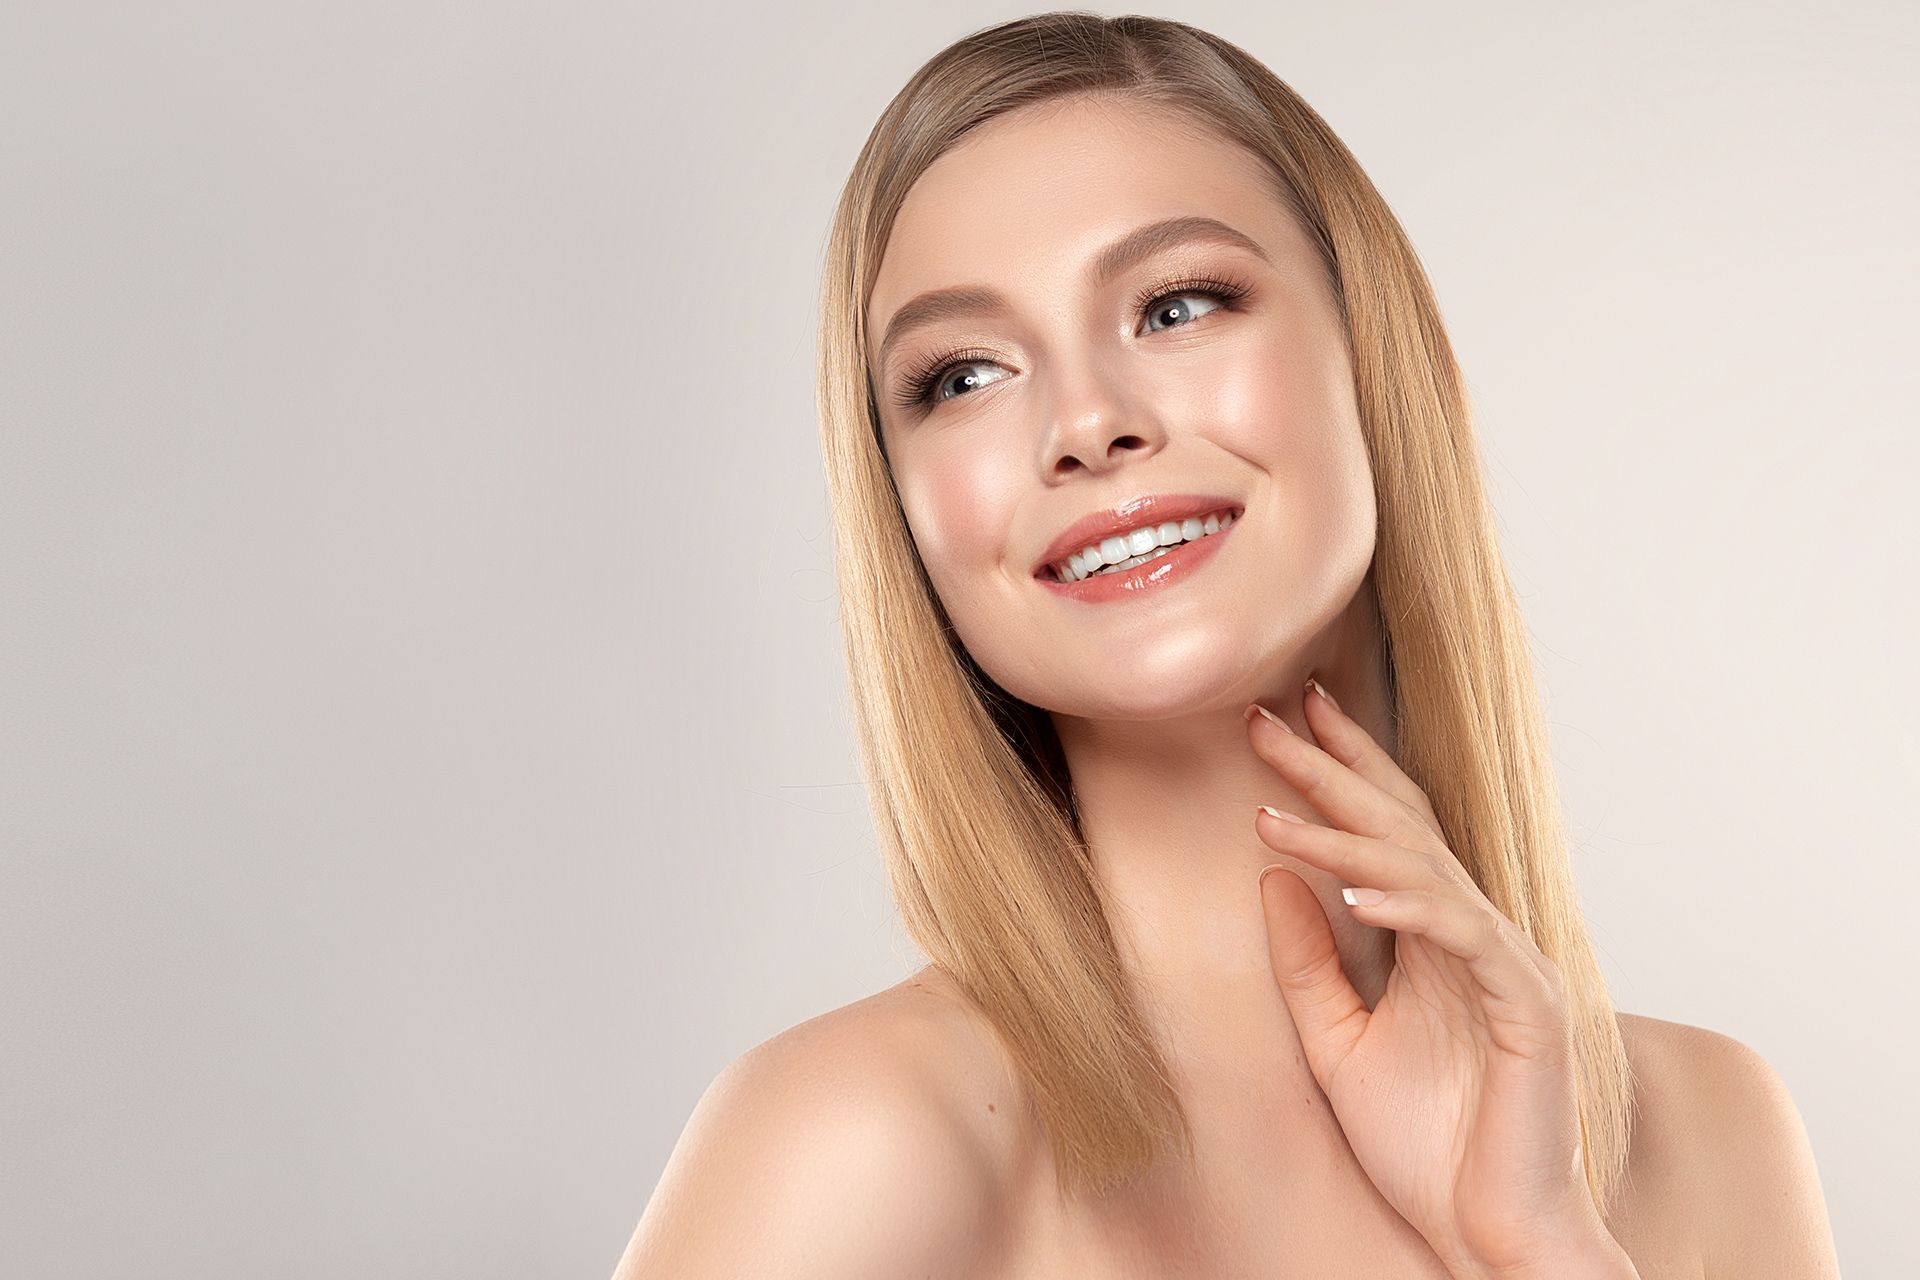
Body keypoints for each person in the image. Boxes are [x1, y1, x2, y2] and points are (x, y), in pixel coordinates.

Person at [613, 13, 1840, 1278]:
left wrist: (1537, 1247)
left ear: (1372, 353)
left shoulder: (1715, 1134)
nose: (1086, 422)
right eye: (963, 375)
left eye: (1176, 305)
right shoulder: (852, 1141)